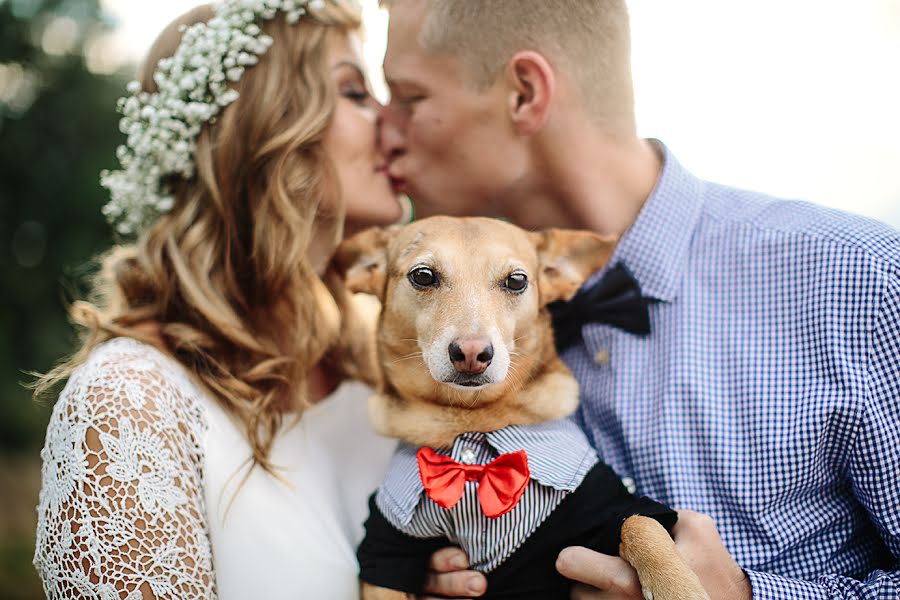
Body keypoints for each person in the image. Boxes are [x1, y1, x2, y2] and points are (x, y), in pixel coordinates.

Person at [376, 1, 900, 598]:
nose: (383, 131)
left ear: (523, 93)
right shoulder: (435, 332)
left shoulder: (858, 279)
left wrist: (749, 595)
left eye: (409, 97)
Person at [32, 1, 415, 598]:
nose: (392, 121)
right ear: (267, 124)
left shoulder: (379, 375)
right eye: (355, 92)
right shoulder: (132, 404)